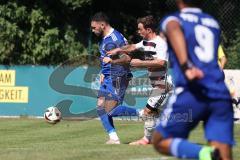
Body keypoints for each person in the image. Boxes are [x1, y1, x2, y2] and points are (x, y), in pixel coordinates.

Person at [152, 0, 234, 160]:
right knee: (224, 155)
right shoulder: (213, 23)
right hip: (219, 94)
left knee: (160, 140)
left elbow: (173, 28)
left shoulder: (173, 19)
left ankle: (204, 154)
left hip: (192, 91)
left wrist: (185, 65)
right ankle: (213, 155)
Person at [104, 15, 172, 145]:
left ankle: (147, 139)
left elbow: (162, 63)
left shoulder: (161, 43)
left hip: (161, 85)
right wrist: (118, 49)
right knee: (154, 113)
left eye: (140, 29)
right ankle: (153, 138)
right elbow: (132, 47)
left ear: (149, 29)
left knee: (147, 112)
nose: (138, 31)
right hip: (156, 85)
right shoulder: (145, 42)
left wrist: (139, 63)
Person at [90, 12, 133, 144]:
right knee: (100, 107)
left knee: (110, 110)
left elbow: (127, 58)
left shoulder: (116, 38)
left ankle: (143, 113)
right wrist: (103, 72)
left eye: (94, 27)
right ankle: (113, 138)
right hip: (108, 77)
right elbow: (106, 58)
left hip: (118, 77)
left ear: (102, 25)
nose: (92, 30)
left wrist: (112, 63)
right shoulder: (104, 39)